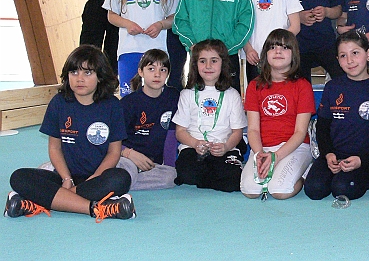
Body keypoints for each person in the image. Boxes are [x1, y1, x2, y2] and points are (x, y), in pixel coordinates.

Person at [6, 45, 134, 221]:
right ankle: (95, 208)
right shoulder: (59, 103)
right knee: (19, 177)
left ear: (100, 77)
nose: (79, 79)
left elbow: (114, 152)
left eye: (87, 73)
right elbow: (54, 148)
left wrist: (93, 179)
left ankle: (45, 200)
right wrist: (66, 179)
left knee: (121, 179)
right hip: (63, 177)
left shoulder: (113, 106)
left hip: (96, 178)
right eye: (74, 72)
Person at [303, 30, 369, 200]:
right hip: (335, 155)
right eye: (343, 56)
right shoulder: (332, 87)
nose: (349, 60)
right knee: (314, 189)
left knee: (343, 189)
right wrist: (328, 154)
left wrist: (362, 160)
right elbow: (322, 126)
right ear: (338, 60)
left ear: (368, 54)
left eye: (355, 53)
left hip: (364, 158)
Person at [240, 30, 315, 200]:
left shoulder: (302, 86)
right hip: (263, 147)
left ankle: (304, 173)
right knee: (250, 190)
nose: (278, 51)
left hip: (294, 147)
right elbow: (253, 129)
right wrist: (260, 154)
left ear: (293, 54)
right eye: (272, 47)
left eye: (284, 47)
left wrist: (277, 157)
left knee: (280, 191)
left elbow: (300, 132)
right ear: (265, 54)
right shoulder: (254, 85)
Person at [172, 40, 247, 192]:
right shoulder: (186, 94)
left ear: (223, 64)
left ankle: (210, 175)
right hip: (193, 148)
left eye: (214, 61)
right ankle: (211, 176)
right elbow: (180, 132)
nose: (208, 66)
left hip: (224, 148)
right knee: (186, 173)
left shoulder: (232, 94)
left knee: (234, 179)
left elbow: (237, 132)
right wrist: (195, 143)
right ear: (195, 65)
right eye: (202, 61)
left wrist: (226, 147)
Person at [117, 49, 179, 190]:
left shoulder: (173, 96)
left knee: (171, 177)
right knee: (125, 170)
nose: (157, 74)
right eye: (151, 69)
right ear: (141, 72)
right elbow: (113, 141)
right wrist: (129, 153)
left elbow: (171, 135)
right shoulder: (128, 103)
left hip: (153, 164)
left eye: (163, 70)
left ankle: (121, 183)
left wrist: (169, 167)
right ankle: (120, 180)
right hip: (128, 158)